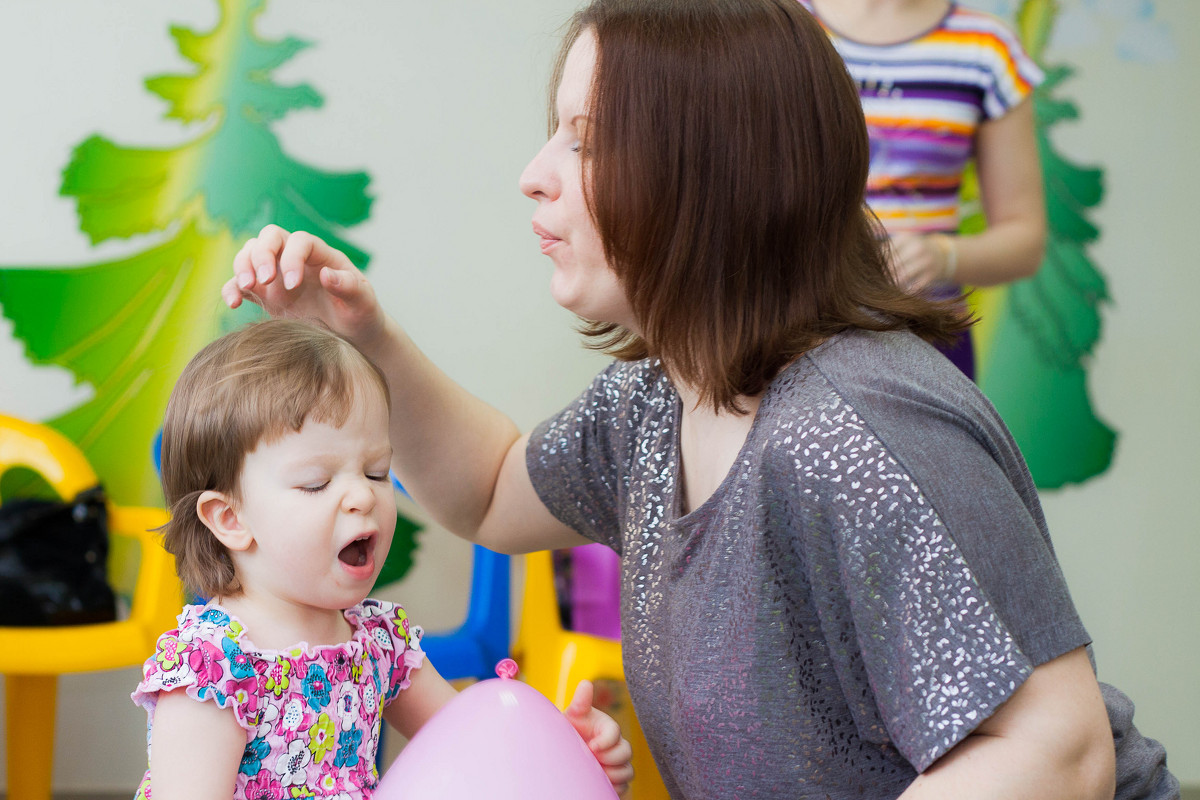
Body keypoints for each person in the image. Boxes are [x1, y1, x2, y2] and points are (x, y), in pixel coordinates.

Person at [221, 1, 1177, 798]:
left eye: (584, 142)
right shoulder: (657, 400)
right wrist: (366, 335)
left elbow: (1058, 752)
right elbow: (490, 493)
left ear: (713, 178)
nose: (535, 174)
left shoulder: (860, 428)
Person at [131, 319, 633, 800]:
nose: (362, 497)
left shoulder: (376, 643)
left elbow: (473, 746)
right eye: (317, 483)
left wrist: (568, 752)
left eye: (375, 472)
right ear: (230, 519)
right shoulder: (214, 667)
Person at [800, 0, 1047, 378]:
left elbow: (1025, 241)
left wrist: (942, 257)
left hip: (925, 341)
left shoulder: (987, 48)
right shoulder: (779, 25)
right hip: (795, 334)